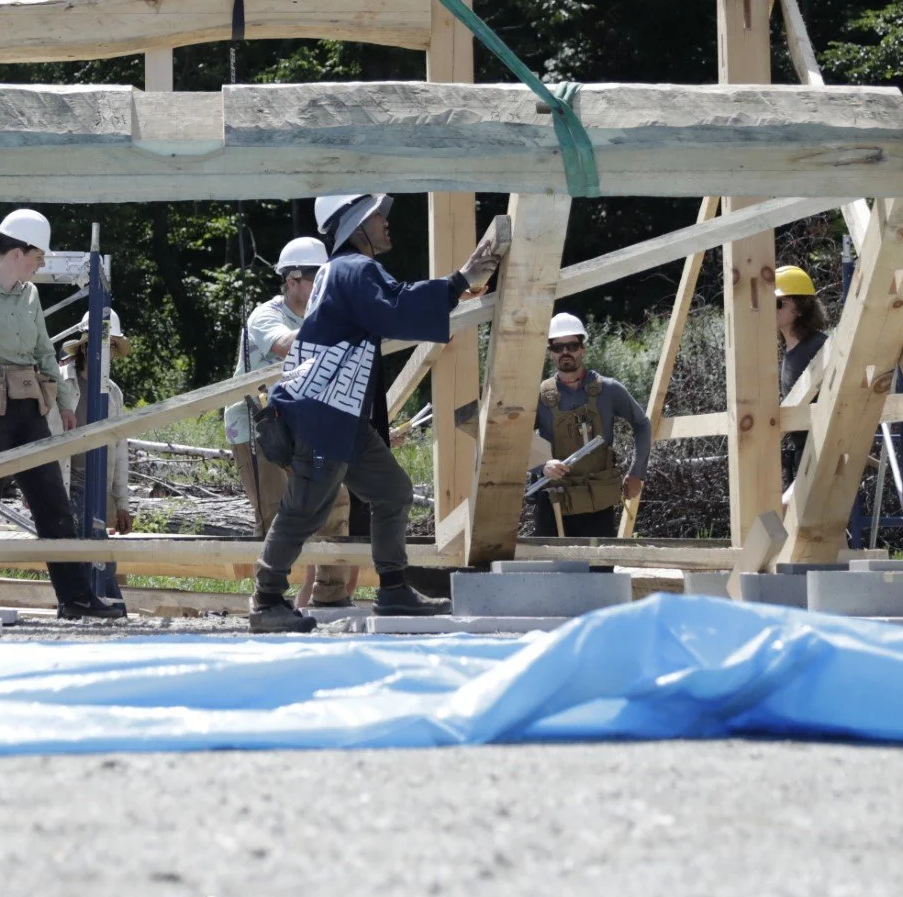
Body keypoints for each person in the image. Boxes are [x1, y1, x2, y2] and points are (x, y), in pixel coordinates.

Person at [251, 194, 501, 633]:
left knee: (392, 490)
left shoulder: (336, 271)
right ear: (357, 225)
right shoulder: (354, 269)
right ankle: (266, 600)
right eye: (379, 218)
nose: (387, 224)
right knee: (303, 510)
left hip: (339, 414)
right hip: (325, 414)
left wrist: (457, 286)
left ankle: (392, 589)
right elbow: (398, 308)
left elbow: (393, 304)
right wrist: (460, 280)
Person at [0, 208, 125, 621]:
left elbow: (41, 352)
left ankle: (75, 598)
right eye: (38, 256)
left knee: (53, 502)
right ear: (17, 252)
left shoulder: (30, 295)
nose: (42, 264)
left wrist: (64, 402)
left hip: (26, 406)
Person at [224, 236, 356, 609]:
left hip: (305, 425)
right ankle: (270, 599)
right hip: (259, 427)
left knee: (335, 504)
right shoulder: (266, 315)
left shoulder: (324, 312)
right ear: (292, 280)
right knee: (275, 511)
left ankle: (330, 594)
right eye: (317, 279)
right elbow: (284, 345)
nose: (323, 288)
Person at [531, 313, 652, 538]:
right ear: (551, 354)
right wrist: (542, 466)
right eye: (558, 347)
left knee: (599, 571)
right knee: (551, 571)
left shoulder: (609, 389)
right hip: (554, 500)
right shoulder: (538, 396)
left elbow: (642, 424)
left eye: (572, 345)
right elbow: (517, 437)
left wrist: (637, 473)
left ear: (583, 350)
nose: (565, 352)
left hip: (598, 502)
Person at [59, 308, 131, 536]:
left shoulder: (113, 393)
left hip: (99, 486)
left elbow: (119, 449)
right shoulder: (60, 383)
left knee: (103, 559)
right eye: (96, 344)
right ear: (83, 347)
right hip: (64, 483)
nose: (102, 352)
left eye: (109, 346)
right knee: (74, 552)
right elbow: (39, 435)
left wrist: (122, 504)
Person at [775, 264, 830, 485]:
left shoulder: (820, 348)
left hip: (821, 457)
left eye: (778, 303)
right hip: (801, 457)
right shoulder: (788, 351)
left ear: (800, 308)